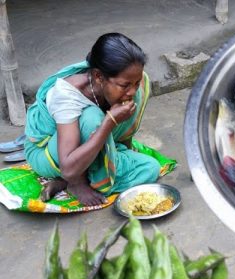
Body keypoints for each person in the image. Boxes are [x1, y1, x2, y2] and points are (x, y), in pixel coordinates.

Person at [23, 32, 160, 206]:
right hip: (49, 153)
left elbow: (124, 128)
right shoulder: (67, 94)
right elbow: (68, 166)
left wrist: (124, 151)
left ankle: (80, 175)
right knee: (91, 117)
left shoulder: (130, 85)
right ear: (98, 76)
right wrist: (109, 122)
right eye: (124, 85)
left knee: (151, 168)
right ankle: (74, 183)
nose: (131, 91)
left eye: (135, 83)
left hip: (90, 142)